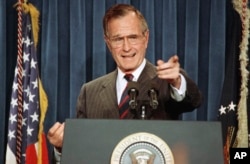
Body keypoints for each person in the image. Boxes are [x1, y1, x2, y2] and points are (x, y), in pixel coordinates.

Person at [47, 3, 202, 163]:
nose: (126, 47)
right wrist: (61, 148)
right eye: (118, 39)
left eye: (133, 37)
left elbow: (193, 100)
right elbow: (80, 152)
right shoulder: (90, 91)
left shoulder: (166, 82)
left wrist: (177, 82)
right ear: (108, 43)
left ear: (146, 38)